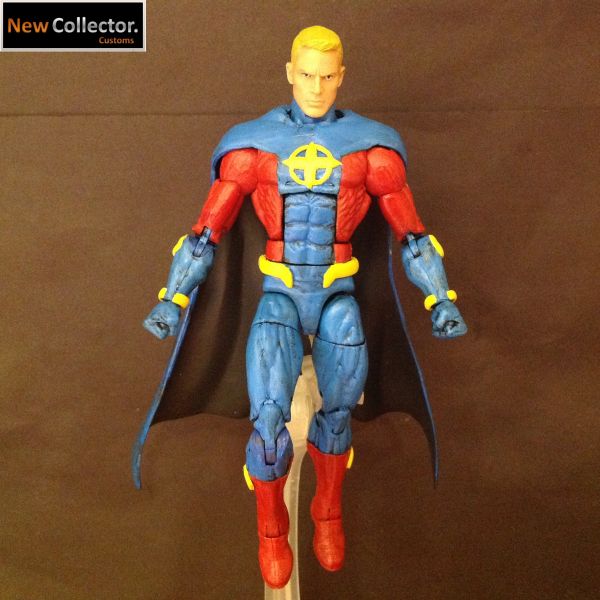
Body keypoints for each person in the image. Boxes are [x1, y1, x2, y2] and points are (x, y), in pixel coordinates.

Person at [143, 25, 466, 589]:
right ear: (290, 73)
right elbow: (204, 233)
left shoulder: (372, 151)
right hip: (281, 296)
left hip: (338, 294)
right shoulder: (253, 148)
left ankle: (327, 509)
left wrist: (439, 298)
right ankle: (272, 527)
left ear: (342, 77)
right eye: (307, 75)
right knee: (269, 422)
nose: (316, 87)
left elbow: (413, 236)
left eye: (327, 76)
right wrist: (172, 298)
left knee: (336, 416)